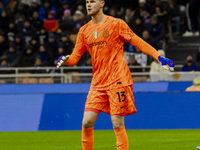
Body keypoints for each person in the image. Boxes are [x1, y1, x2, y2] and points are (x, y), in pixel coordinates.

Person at [57, 0, 175, 150]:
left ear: (101, 3)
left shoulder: (116, 24)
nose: (88, 4)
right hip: (98, 83)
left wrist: (159, 57)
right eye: (87, 2)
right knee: (87, 122)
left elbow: (138, 42)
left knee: (117, 123)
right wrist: (66, 60)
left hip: (118, 79)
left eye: (92, 1)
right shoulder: (83, 31)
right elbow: (75, 58)